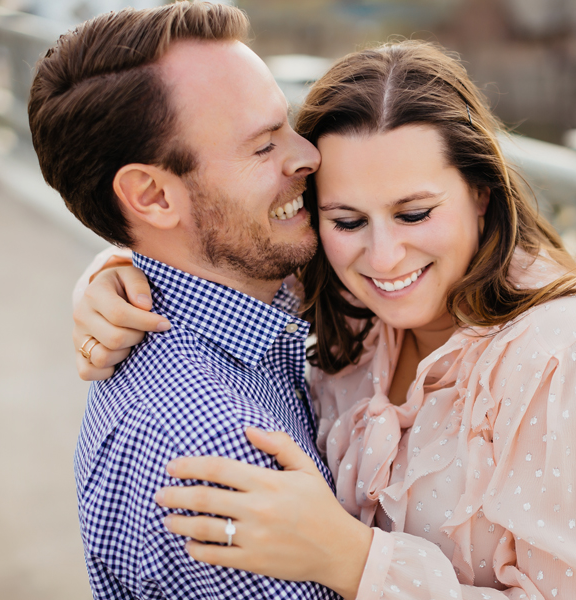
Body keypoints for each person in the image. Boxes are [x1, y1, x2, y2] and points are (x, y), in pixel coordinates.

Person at [71, 30, 576, 600]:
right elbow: (212, 252)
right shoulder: (351, 304)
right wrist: (116, 270)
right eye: (346, 220)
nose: (385, 256)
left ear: (480, 191)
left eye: (415, 213)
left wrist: (355, 560)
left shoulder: (574, 356)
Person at [29, 3, 368, 598]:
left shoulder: (263, 312)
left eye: (286, 124)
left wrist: (113, 265)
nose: (308, 155)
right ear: (154, 196)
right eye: (264, 147)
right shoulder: (215, 452)